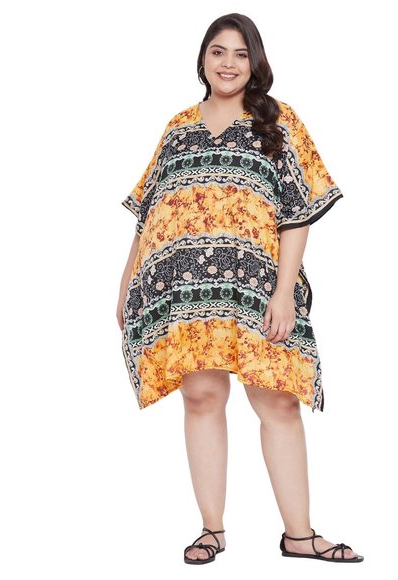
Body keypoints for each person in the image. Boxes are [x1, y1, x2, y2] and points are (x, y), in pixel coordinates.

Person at [116, 13, 363, 565]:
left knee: (277, 399)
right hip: (185, 292)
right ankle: (211, 529)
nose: (228, 63)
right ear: (203, 58)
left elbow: (297, 213)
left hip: (257, 288)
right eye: (218, 51)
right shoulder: (177, 127)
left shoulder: (278, 121)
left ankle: (300, 535)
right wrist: (127, 283)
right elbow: (149, 214)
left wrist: (284, 291)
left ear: (255, 62)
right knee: (202, 397)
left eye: (240, 53)